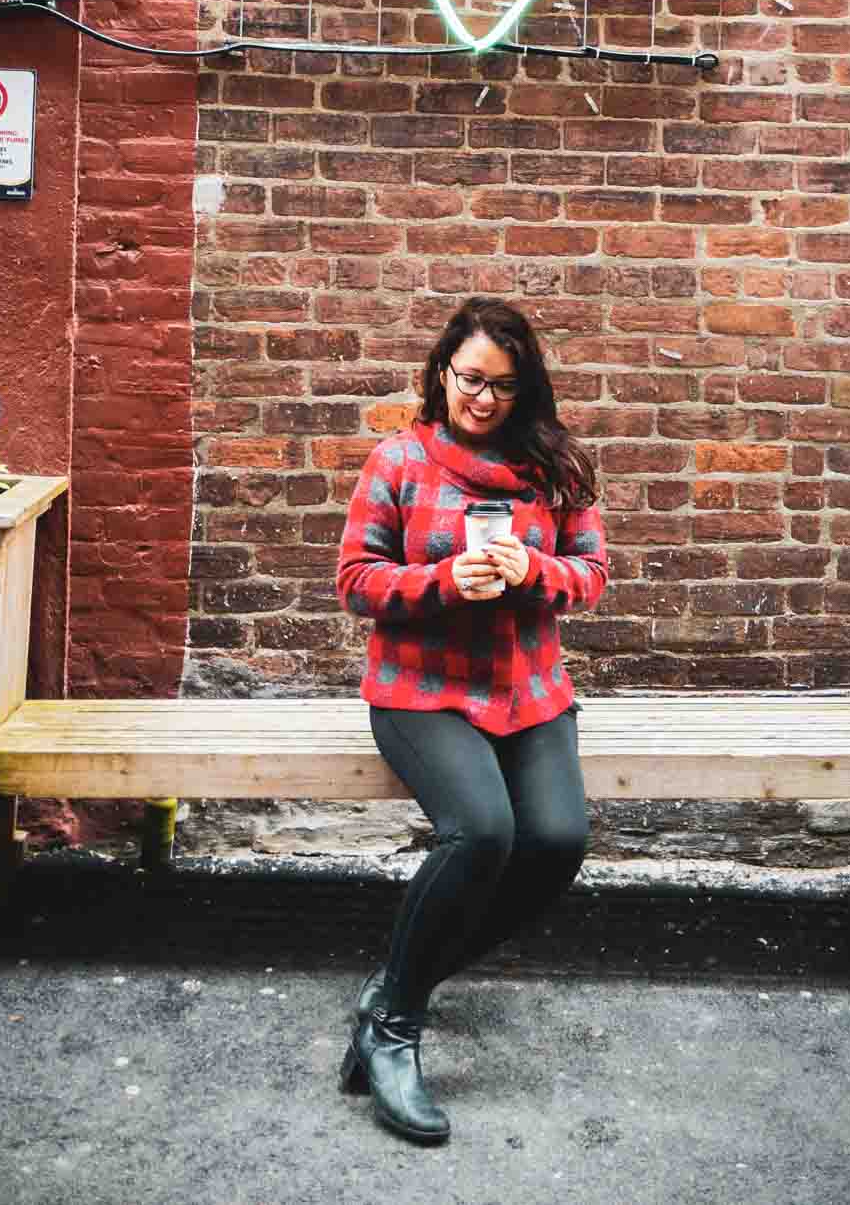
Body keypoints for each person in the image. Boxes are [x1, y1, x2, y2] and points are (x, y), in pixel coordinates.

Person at [334, 295, 608, 1145]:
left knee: (558, 840)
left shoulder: (558, 468)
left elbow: (593, 571)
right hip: (420, 687)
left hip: (527, 687)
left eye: (502, 386)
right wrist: (443, 582)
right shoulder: (400, 460)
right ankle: (397, 1032)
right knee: (482, 831)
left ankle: (392, 988)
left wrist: (536, 570)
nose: (483, 399)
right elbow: (355, 580)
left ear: (526, 390)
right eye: (470, 379)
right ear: (442, 371)